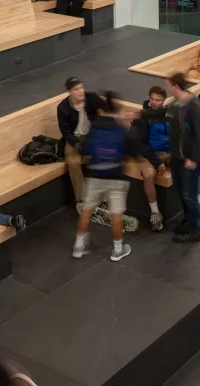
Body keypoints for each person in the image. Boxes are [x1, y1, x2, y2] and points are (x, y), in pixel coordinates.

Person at [72, 93, 139, 262]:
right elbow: (131, 151)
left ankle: (78, 247)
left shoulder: (93, 128)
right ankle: (117, 250)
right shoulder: (120, 129)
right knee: (116, 214)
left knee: (87, 210)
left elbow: (84, 149)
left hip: (94, 176)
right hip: (116, 176)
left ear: (101, 110)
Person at [167, 72, 200, 244]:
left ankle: (194, 230)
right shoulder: (176, 105)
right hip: (177, 157)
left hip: (189, 159)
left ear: (175, 85)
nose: (167, 88)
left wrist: (195, 158)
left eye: (168, 85)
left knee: (189, 195)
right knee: (181, 192)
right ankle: (188, 220)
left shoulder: (194, 106)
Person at [57, 76, 103, 209]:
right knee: (73, 162)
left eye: (81, 87)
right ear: (69, 91)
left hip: (93, 136)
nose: (80, 91)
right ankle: (82, 199)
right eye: (76, 89)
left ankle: (101, 196)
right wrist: (79, 145)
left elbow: (106, 112)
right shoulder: (63, 108)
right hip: (75, 139)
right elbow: (66, 132)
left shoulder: (92, 98)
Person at [134, 85, 172, 232]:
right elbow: (142, 144)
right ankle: (155, 212)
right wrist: (156, 162)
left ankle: (195, 202)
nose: (155, 103)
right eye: (153, 99)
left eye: (159, 100)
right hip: (148, 154)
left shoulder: (168, 113)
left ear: (164, 100)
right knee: (149, 175)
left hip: (168, 152)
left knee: (190, 165)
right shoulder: (142, 116)